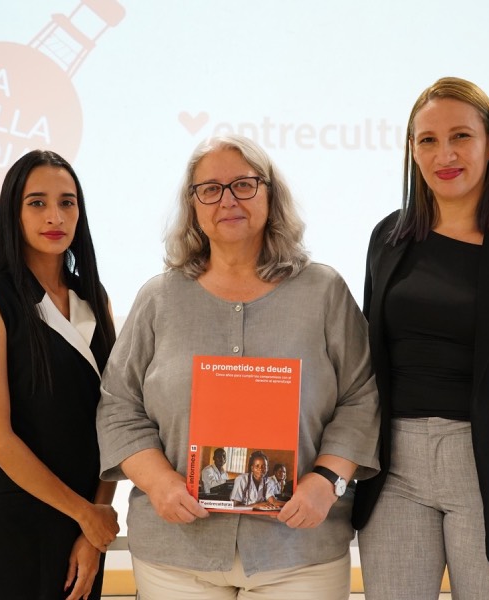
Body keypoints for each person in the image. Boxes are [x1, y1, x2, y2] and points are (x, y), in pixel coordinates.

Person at [96, 133, 380, 600]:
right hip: (177, 554)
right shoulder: (158, 298)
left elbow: (361, 397)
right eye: (210, 189)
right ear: (193, 205)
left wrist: (327, 481)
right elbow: (118, 406)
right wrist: (158, 482)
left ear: (270, 194)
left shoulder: (324, 291)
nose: (227, 200)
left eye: (244, 185)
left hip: (299, 551)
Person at [351, 77, 489, 598]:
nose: (445, 154)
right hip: (394, 471)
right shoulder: (388, 238)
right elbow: (368, 367)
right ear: (412, 151)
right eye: (428, 140)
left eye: (461, 136)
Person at [0, 149, 120, 600]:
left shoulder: (94, 297)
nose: (55, 216)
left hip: (87, 518)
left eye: (67, 202)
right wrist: (85, 514)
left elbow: (116, 419)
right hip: (17, 517)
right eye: (37, 203)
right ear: (13, 213)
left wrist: (94, 521)